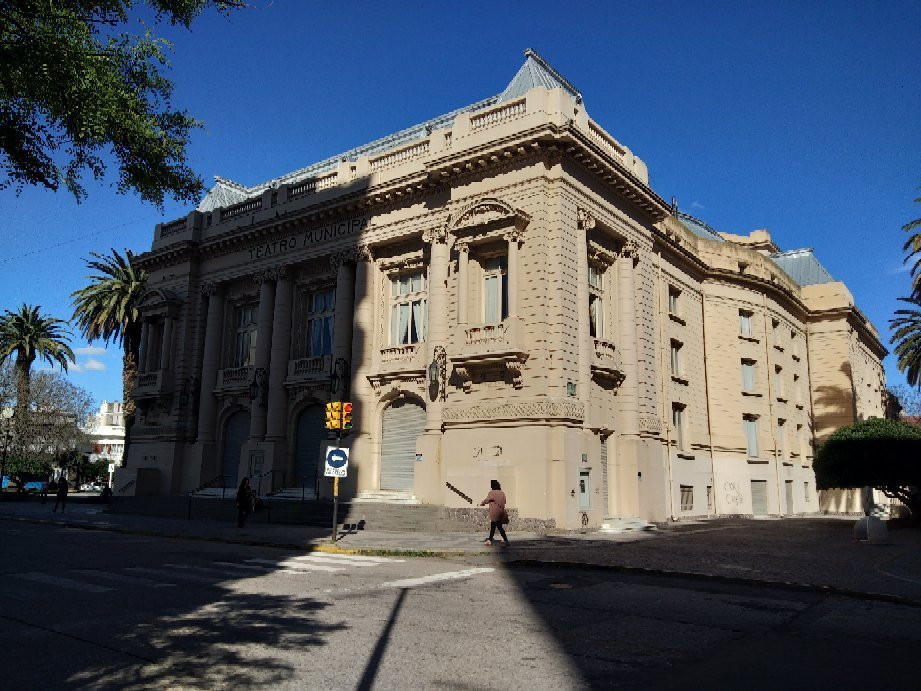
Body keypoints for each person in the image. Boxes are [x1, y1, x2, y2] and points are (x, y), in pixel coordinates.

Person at [480, 480, 509, 547]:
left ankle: (506, 540)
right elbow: (504, 501)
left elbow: (487, 500)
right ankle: (490, 540)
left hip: (495, 513)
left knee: (499, 527)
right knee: (493, 526)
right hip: (501, 512)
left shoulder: (492, 493)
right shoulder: (502, 493)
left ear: (492, 485)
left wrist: (482, 503)